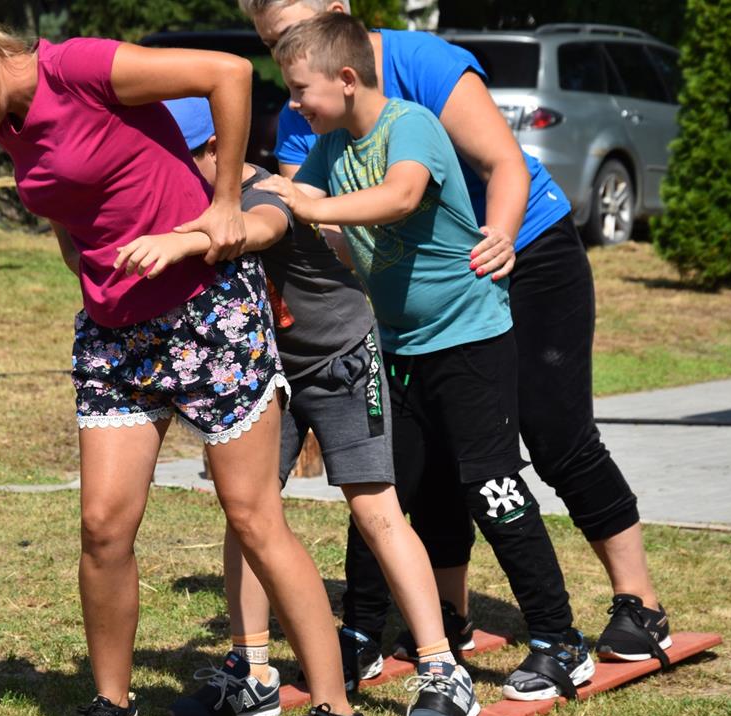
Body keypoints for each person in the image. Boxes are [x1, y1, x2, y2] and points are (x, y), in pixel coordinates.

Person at [0, 0, 370, 716]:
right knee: (103, 526)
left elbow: (228, 73)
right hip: (115, 335)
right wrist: (88, 267)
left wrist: (222, 205)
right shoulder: (8, 123)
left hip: (206, 312)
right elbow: (71, 206)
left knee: (253, 517)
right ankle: (113, 711)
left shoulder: (78, 68)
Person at [241, 0, 672, 673]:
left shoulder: (417, 76)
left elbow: (487, 169)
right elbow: (311, 217)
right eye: (272, 41)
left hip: (511, 251)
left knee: (549, 439)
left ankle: (629, 607)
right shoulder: (316, 117)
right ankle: (438, 617)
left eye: (291, 34)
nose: (282, 56)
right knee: (406, 471)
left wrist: (500, 235)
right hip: (414, 320)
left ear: (336, 15)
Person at [114, 96, 479, 716]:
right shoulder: (176, 202)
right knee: (248, 512)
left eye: (176, 158)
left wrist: (181, 240)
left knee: (375, 508)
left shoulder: (264, 193)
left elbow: (255, 230)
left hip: (340, 359)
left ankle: (442, 669)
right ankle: (251, 669)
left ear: (214, 151)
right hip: (262, 368)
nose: (163, 172)